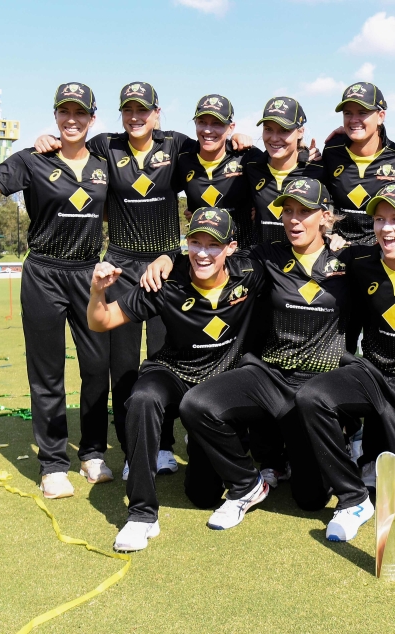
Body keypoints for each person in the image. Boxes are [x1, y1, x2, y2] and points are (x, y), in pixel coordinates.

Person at [143, 178, 347, 529]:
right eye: (288, 211)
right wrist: (168, 256)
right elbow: (212, 253)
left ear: (325, 217)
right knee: (200, 472)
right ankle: (249, 479)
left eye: (305, 212)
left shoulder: (350, 259)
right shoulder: (266, 256)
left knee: (311, 499)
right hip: (271, 380)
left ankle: (326, 449)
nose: (294, 220)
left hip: (316, 389)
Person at [34, 81, 214, 479]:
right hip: (120, 268)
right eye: (128, 110)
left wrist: (241, 138)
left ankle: (165, 444)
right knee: (123, 368)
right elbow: (73, 152)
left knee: (166, 359)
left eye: (143, 109)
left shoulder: (177, 145)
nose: (136, 117)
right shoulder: (104, 145)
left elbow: (214, 154)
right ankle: (134, 448)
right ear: (119, 114)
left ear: (157, 112)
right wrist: (45, 140)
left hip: (166, 267)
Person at [0, 83, 111, 498]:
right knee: (47, 373)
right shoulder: (32, 160)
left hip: (88, 275)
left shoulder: (104, 163)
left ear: (92, 119)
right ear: (56, 115)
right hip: (43, 273)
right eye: (65, 112)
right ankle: (54, 463)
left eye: (80, 113)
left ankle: (93, 453)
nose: (72, 119)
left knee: (97, 369)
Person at [87, 208, 263, 551]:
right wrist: (97, 292)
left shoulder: (250, 273)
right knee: (142, 398)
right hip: (173, 372)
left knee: (203, 495)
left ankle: (236, 461)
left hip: (217, 388)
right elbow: (101, 321)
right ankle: (141, 516)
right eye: (195, 242)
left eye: (213, 245)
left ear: (231, 248)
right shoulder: (166, 281)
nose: (201, 252)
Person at [296, 183, 395, 539]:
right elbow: (312, 252)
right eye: (379, 220)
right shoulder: (360, 261)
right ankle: (353, 496)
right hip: (372, 375)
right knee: (312, 397)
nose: (386, 229)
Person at [310, 82, 395, 246]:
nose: (354, 120)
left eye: (362, 112)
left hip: (385, 251)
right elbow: (318, 204)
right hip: (340, 248)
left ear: (381, 116)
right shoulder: (332, 151)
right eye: (348, 113)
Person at [175, 94, 254, 250]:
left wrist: (302, 147)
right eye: (202, 122)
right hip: (203, 255)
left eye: (217, 123)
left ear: (231, 127)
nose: (208, 130)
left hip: (244, 253)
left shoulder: (247, 156)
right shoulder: (182, 158)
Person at [246, 96, 321, 245]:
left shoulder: (317, 169)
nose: (274, 138)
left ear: (300, 132)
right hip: (261, 262)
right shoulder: (251, 167)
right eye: (268, 129)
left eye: (283, 130)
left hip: (301, 264)